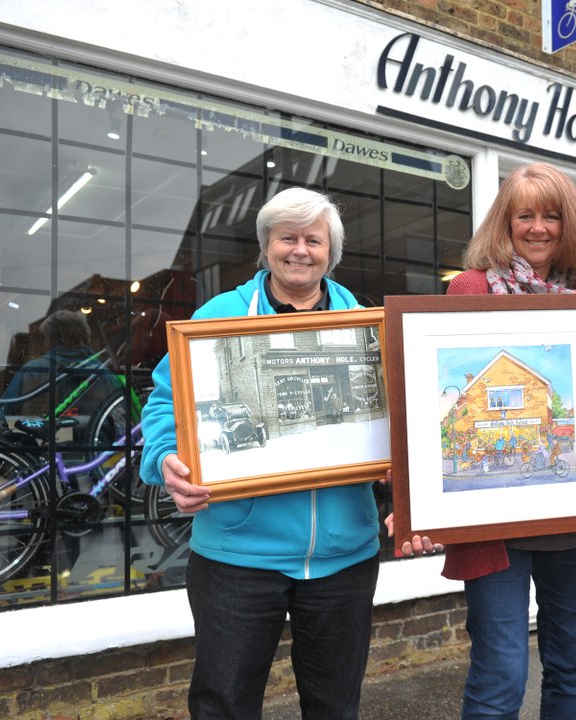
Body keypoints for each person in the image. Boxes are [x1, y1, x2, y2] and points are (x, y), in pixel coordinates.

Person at [140, 187, 381, 720]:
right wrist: (165, 460)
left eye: (313, 240)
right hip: (238, 558)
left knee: (336, 705)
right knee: (223, 703)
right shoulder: (217, 316)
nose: (300, 250)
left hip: (345, 555)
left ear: (330, 252)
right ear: (266, 246)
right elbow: (164, 405)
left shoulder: (366, 324)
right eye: (286, 238)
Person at [407, 162, 576, 718]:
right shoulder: (470, 287)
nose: (538, 228)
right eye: (524, 215)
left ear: (569, 225)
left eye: (551, 215)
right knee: (500, 673)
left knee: (573, 668)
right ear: (503, 223)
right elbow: (437, 397)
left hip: (572, 520)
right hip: (493, 525)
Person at [0, 309, 121, 433]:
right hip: (98, 447)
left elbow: (5, 412)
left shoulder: (33, 370)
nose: (45, 343)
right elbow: (119, 416)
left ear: (56, 339)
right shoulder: (103, 373)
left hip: (43, 447)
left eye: (46, 337)